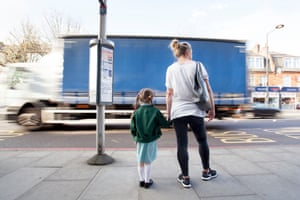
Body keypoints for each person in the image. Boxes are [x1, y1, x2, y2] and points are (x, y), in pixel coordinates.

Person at [165, 39, 217, 188]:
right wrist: (212, 108)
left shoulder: (170, 69)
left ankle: (185, 177)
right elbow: (207, 89)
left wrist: (169, 113)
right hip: (196, 110)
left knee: (182, 145)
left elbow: (169, 94)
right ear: (187, 52)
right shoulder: (198, 65)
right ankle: (206, 171)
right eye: (191, 52)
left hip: (178, 111)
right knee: (202, 141)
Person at [130, 88, 170, 189]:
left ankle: (141, 180)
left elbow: (132, 128)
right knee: (148, 161)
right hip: (151, 140)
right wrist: (170, 119)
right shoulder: (155, 111)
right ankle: (147, 181)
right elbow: (165, 124)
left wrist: (135, 138)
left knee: (140, 160)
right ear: (151, 98)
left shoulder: (136, 112)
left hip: (140, 140)